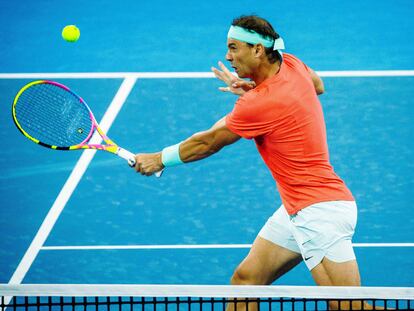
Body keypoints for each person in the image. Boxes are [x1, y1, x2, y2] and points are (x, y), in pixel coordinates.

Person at [134, 15, 368, 310]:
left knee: (349, 307)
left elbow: (209, 142)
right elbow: (317, 85)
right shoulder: (290, 63)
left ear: (258, 50)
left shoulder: (260, 103)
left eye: (234, 48)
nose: (227, 56)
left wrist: (158, 159)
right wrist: (255, 89)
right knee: (246, 281)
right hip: (300, 206)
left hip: (318, 214)